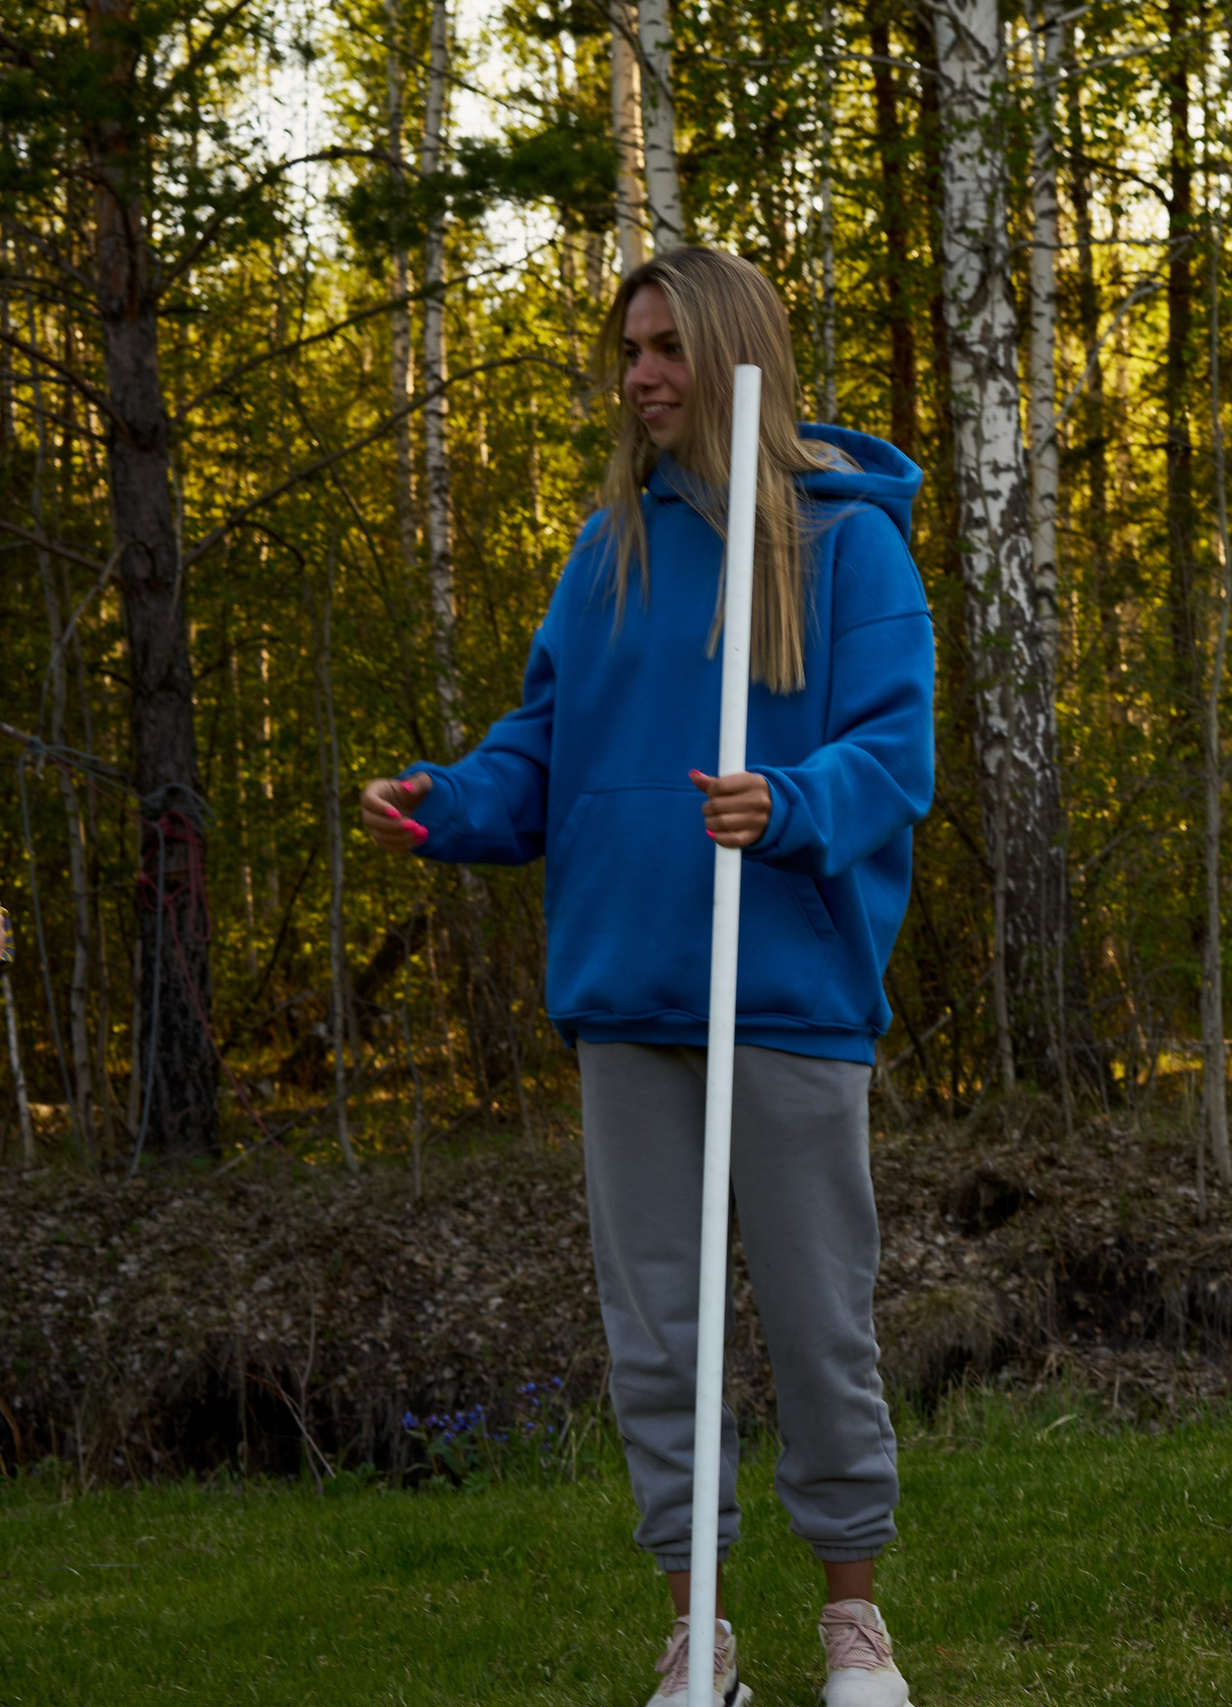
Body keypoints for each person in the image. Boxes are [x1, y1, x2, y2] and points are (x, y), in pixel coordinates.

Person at [359, 246, 933, 1707]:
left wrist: (787, 806)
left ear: (738, 354)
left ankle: (853, 1619)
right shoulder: (607, 548)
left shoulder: (849, 545)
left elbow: (893, 754)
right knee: (660, 1336)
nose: (642, 375)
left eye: (668, 345)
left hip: (790, 993)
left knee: (818, 1317)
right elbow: (544, 747)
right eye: (630, 350)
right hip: (628, 991)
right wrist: (452, 798)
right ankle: (700, 1628)